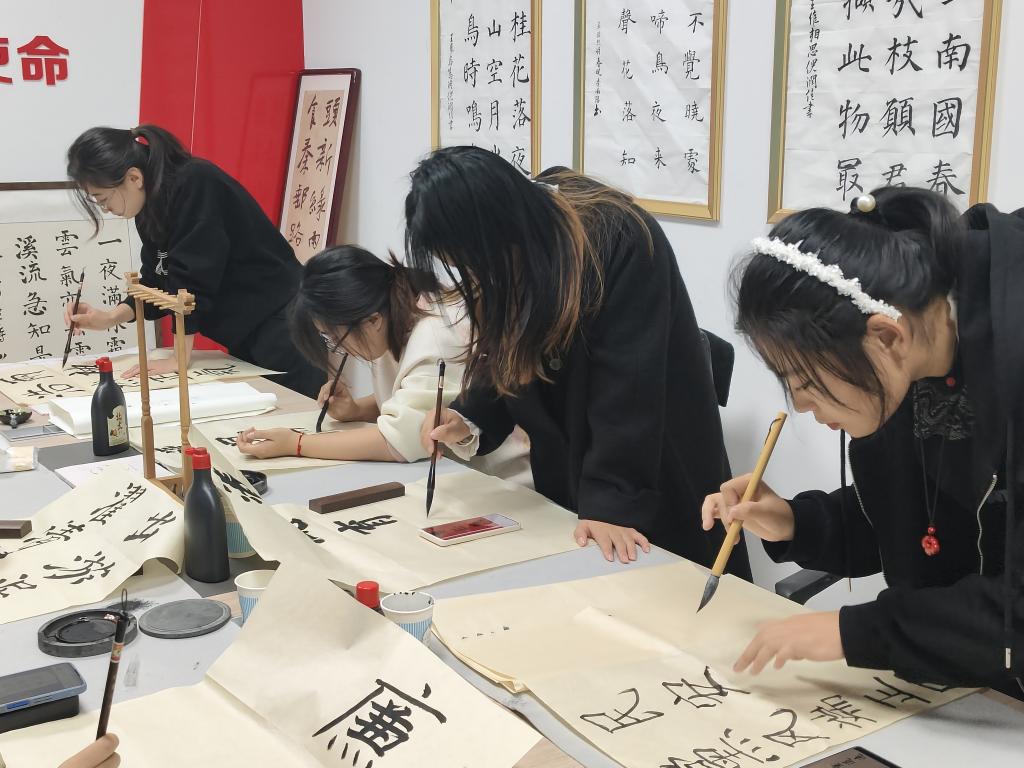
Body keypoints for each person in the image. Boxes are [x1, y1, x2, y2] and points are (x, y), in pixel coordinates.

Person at [703, 186, 1023, 696]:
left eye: (807, 381)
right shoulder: (919, 347)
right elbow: (917, 518)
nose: (801, 406)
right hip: (970, 691)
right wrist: (796, 522)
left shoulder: (1007, 353)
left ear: (886, 337)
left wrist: (853, 632)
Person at [408, 146, 747, 572]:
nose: (473, 272)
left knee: (665, 585)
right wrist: (468, 416)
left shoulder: (617, 235)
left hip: (646, 459)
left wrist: (611, 499)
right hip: (575, 467)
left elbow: (631, 381)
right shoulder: (514, 240)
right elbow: (508, 345)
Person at [62, 124, 322, 398]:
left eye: (103, 199)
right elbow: (157, 278)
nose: (106, 209)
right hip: (246, 328)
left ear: (134, 177)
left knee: (298, 413)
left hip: (283, 321)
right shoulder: (149, 204)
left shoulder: (195, 182)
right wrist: (110, 317)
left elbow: (191, 282)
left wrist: (179, 358)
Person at [235, 245, 530, 482]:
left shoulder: (434, 336)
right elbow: (413, 403)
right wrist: (357, 410)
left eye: (334, 337)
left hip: (500, 485)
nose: (339, 347)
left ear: (372, 321)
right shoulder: (395, 312)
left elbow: (397, 443)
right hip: (455, 477)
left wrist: (297, 444)